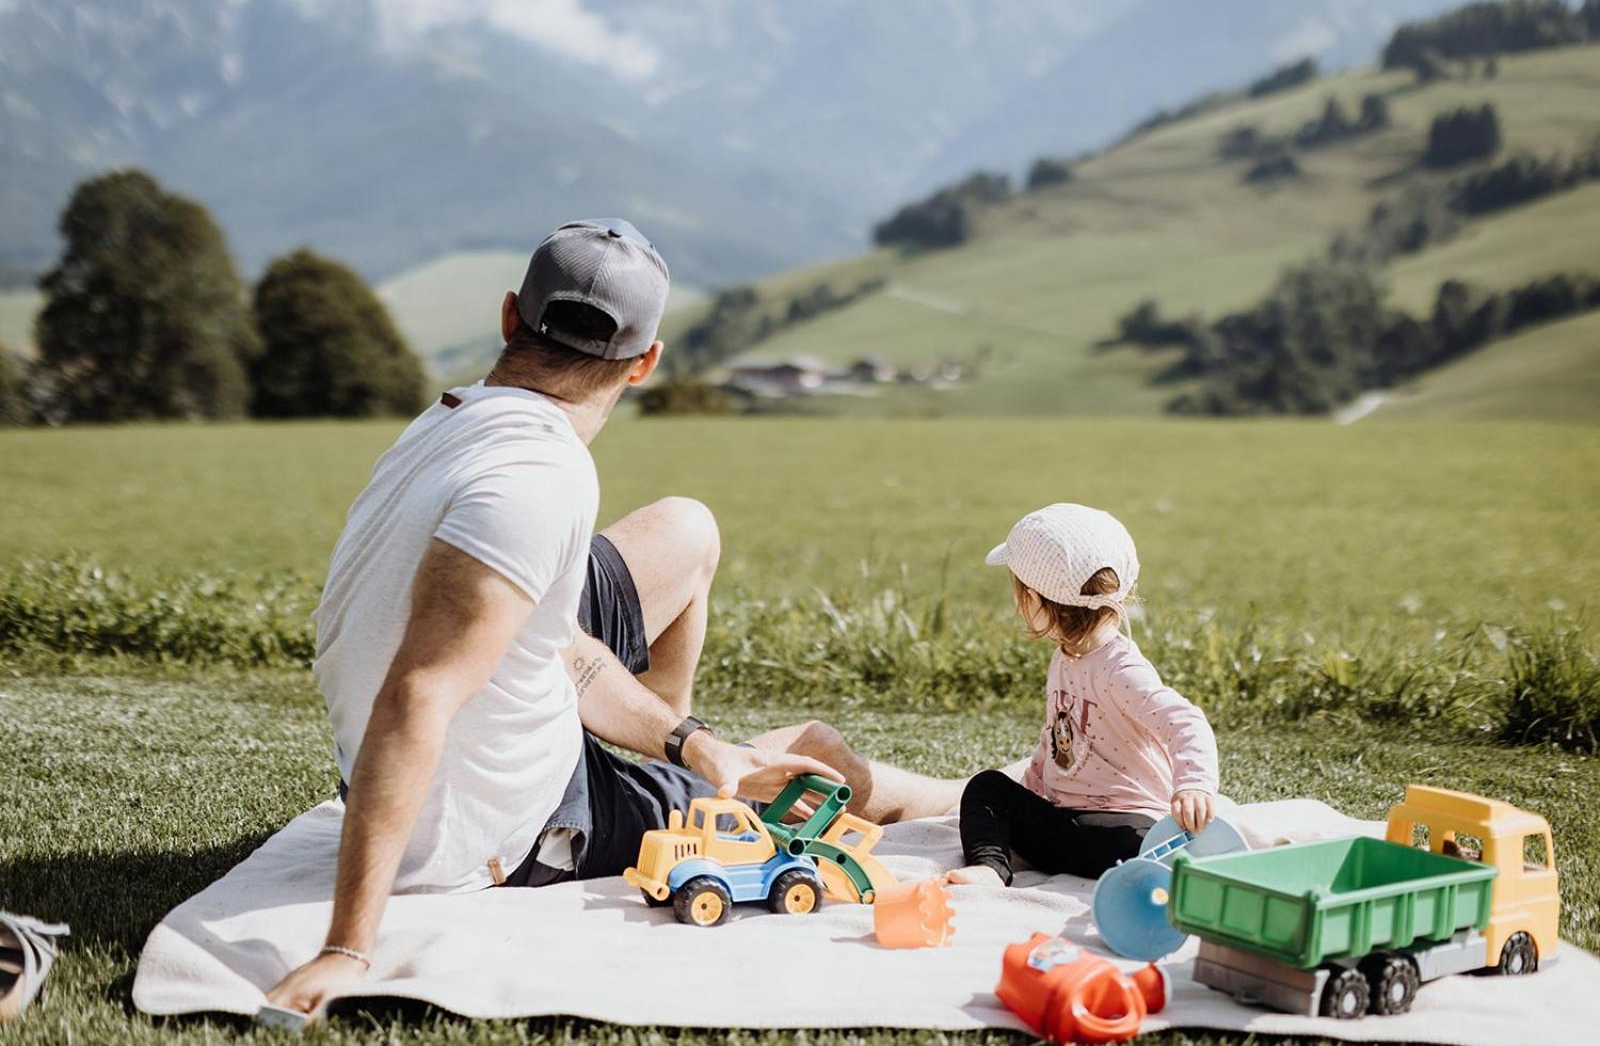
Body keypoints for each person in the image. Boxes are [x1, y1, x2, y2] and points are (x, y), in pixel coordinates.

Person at [267, 219, 962, 1017]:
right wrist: (347, 947)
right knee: (813, 753)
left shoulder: (455, 420)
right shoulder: (540, 479)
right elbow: (419, 692)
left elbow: (550, 642)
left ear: (507, 318)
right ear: (645, 363)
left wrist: (690, 738)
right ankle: (955, 795)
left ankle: (683, 761)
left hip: (437, 743)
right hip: (489, 822)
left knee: (685, 527)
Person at [946, 504, 1219, 887]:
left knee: (1146, 849)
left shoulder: (1120, 668)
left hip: (1125, 829)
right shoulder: (1066, 657)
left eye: (1019, 592)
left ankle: (1160, 869)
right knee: (987, 787)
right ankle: (990, 868)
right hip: (1066, 825)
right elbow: (1056, 737)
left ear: (1038, 600)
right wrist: (1034, 792)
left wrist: (1193, 784)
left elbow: (1185, 722)